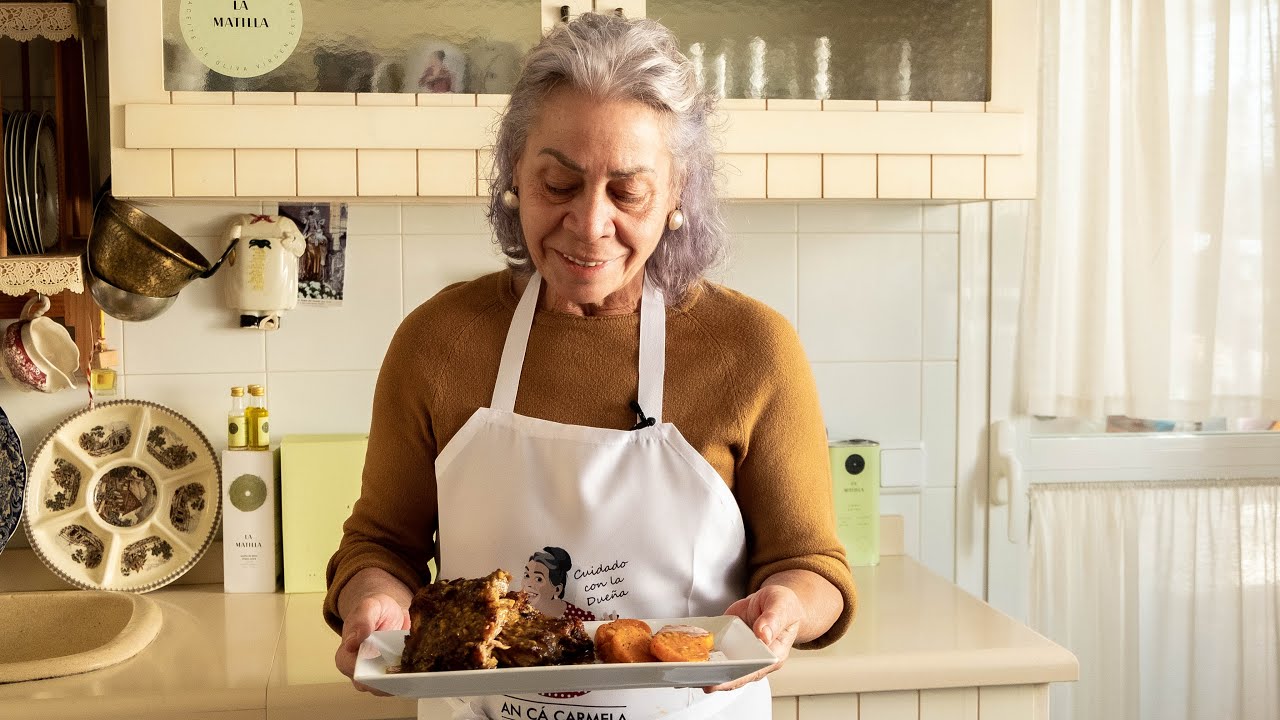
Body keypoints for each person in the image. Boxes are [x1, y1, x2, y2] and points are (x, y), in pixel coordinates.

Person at [325, 12, 856, 719]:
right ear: (514, 173)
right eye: (558, 183)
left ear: (677, 194)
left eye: (627, 191)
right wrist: (373, 603)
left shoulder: (753, 349)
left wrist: (787, 605)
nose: (589, 223)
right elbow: (381, 544)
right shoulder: (438, 341)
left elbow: (815, 565)